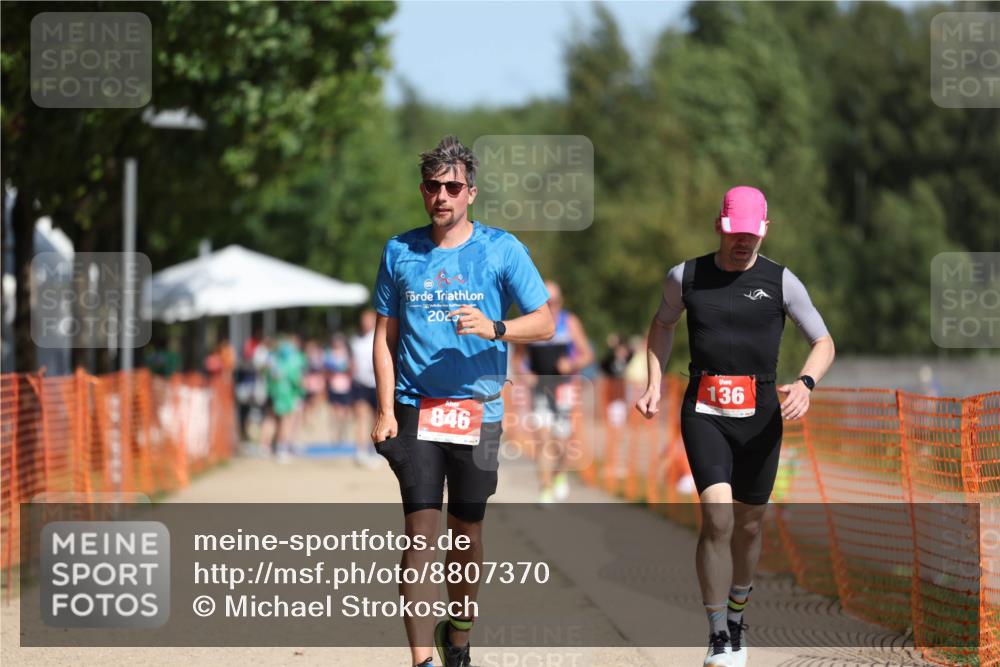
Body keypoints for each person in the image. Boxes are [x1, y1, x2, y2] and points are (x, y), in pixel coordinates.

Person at [372, 135, 554, 667]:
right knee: (420, 532)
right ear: (423, 191)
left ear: (470, 193)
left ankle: (458, 635)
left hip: (478, 414)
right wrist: (385, 409)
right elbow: (383, 338)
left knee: (466, 533)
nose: (442, 196)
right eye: (433, 186)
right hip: (415, 407)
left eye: (453, 186)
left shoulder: (502, 249)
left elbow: (544, 323)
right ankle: (421, 661)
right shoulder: (400, 250)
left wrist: (497, 327)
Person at [635, 186, 835, 667]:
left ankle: (738, 611)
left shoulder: (782, 282)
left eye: (751, 235)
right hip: (704, 410)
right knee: (719, 518)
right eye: (734, 234)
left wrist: (806, 383)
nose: (742, 243)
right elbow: (662, 326)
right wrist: (654, 381)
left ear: (763, 230)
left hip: (762, 414)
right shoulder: (685, 277)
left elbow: (823, 340)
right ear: (719, 227)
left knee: (748, 524)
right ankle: (718, 631)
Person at [514, 280, 594, 504]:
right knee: (542, 438)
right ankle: (545, 487)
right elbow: (518, 358)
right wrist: (524, 374)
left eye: (555, 302)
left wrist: (572, 363)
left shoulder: (570, 322)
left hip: (565, 388)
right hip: (540, 387)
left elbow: (587, 354)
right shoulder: (531, 323)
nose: (552, 306)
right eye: (547, 302)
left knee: (563, 443)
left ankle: (559, 475)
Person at [350, 309, 380, 467]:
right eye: (363, 320)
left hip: (377, 384)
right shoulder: (355, 341)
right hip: (360, 384)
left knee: (376, 420)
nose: (365, 323)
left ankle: (375, 450)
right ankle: (360, 451)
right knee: (361, 417)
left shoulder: (380, 337)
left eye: (368, 320)